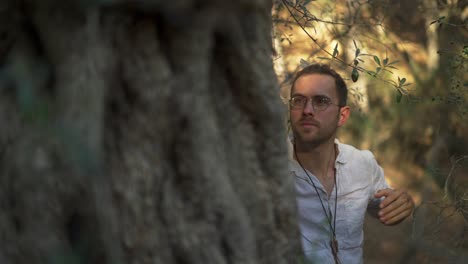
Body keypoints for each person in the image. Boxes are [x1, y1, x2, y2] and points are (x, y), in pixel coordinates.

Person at [288, 64, 414, 264]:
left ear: (342, 115)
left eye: (321, 101)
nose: (307, 110)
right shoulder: (270, 170)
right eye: (298, 100)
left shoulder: (363, 163)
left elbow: (385, 208)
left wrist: (403, 203)